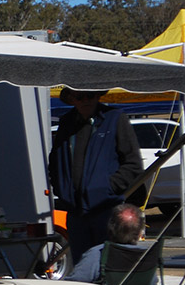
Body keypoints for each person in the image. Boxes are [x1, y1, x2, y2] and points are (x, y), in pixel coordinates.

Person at [49, 88, 145, 261]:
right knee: (82, 265)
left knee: (107, 264)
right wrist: (62, 190)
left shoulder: (115, 118)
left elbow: (133, 164)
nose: (86, 100)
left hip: (106, 210)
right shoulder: (66, 122)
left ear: (98, 96)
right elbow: (55, 162)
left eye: (90, 95)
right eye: (80, 96)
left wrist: (107, 188)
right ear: (72, 99)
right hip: (76, 212)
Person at [66, 203, 159, 285]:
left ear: (110, 227)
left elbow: (74, 283)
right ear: (139, 233)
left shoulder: (97, 254)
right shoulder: (145, 257)